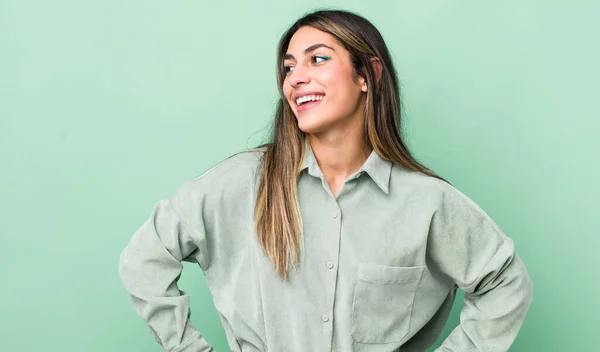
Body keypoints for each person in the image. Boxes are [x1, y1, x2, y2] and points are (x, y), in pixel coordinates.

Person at [119, 9, 533, 352]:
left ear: (366, 75)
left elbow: (505, 282)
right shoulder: (239, 184)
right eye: (288, 67)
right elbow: (144, 259)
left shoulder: (427, 203)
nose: (295, 78)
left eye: (317, 59)